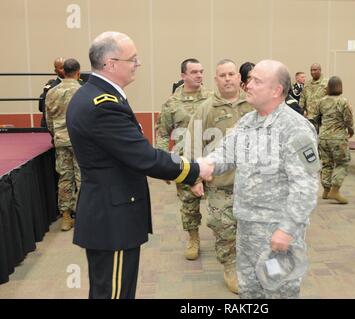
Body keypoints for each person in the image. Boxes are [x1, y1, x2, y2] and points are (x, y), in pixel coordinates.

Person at [66, 31, 212, 299]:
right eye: (132, 59)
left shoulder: (94, 94)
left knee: (107, 290)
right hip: (113, 218)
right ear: (111, 63)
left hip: (106, 210)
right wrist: (194, 170)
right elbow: (143, 156)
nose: (137, 64)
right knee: (115, 293)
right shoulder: (103, 104)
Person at [193, 60, 320, 298]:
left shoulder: (296, 129)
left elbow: (305, 186)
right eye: (249, 79)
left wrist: (288, 229)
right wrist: (203, 165)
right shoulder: (247, 122)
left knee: (278, 291)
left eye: (256, 81)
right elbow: (225, 154)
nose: (247, 85)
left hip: (276, 232)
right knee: (249, 291)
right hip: (247, 228)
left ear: (276, 90)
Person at [186, 59, 253, 294]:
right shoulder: (206, 109)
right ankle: (230, 268)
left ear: (239, 78)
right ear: (216, 80)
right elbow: (192, 145)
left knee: (251, 229)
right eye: (222, 75)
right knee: (224, 229)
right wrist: (194, 179)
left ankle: (251, 264)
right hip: (220, 184)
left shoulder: (253, 106)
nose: (227, 79)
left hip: (252, 184)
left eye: (231, 74)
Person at [156, 58, 213, 261]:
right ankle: (193, 238)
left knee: (220, 203)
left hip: (212, 161)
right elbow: (162, 133)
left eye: (201, 71)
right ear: (183, 76)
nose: (199, 75)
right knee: (189, 204)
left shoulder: (212, 98)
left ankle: (224, 237)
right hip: (185, 163)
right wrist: (163, 166)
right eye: (194, 72)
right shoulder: (172, 103)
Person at [45, 58, 82, 231]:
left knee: (65, 178)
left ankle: (66, 218)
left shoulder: (51, 92)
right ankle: (84, 216)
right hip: (80, 141)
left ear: (63, 71)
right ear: (78, 72)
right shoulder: (82, 91)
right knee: (83, 177)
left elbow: (49, 120)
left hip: (61, 140)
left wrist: (57, 135)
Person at [316, 76, 354, 204]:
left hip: (323, 137)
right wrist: (351, 130)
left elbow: (317, 118)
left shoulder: (321, 101)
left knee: (326, 163)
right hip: (337, 137)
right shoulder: (343, 101)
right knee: (342, 162)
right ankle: (335, 190)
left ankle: (326, 190)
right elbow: (348, 119)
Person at [39, 57, 65, 128]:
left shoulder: (76, 84)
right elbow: (46, 111)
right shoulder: (51, 88)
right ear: (55, 71)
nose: (65, 70)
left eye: (66, 67)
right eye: (61, 68)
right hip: (56, 125)